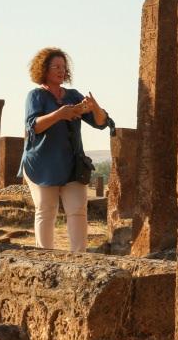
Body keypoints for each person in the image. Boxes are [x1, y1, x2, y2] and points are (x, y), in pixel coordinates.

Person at [20, 47, 111, 252]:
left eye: (63, 67)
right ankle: (45, 257)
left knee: (78, 210)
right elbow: (33, 126)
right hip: (42, 164)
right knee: (46, 210)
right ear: (44, 69)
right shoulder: (36, 96)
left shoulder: (72, 95)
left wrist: (95, 106)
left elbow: (100, 123)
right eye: (56, 66)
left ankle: (80, 258)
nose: (61, 70)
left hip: (71, 164)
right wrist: (59, 115)